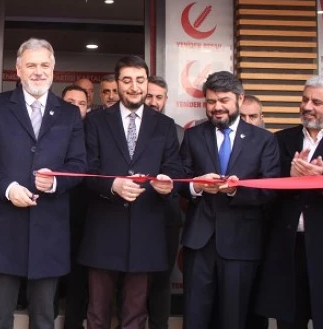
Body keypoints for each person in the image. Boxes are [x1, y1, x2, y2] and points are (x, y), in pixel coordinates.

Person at [0, 37, 86, 329]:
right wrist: (8, 188)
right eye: (31, 65)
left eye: (45, 65)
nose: (38, 71)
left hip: (49, 227)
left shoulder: (69, 113)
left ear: (53, 69)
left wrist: (56, 182)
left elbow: (79, 164)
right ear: (18, 69)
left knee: (44, 317)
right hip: (4, 225)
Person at [77, 56, 183, 329]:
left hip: (147, 228)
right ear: (117, 84)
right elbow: (87, 168)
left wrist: (168, 184)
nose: (134, 87)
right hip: (104, 226)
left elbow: (173, 168)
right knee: (98, 312)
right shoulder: (96, 121)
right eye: (127, 80)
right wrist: (112, 185)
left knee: (135, 314)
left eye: (140, 80)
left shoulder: (164, 124)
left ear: (147, 83)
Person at [178, 71, 279, 329]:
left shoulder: (264, 140)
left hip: (241, 242)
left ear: (240, 99)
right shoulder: (193, 136)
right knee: (195, 316)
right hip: (200, 241)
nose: (217, 107)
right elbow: (180, 180)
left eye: (224, 100)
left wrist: (235, 190)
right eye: (211, 101)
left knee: (233, 317)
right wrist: (196, 186)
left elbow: (269, 189)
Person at [256, 76, 323, 329]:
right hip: (287, 249)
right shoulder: (280, 139)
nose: (307, 107)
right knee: (288, 321)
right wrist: (289, 176)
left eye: (317, 102)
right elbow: (265, 188)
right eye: (304, 99)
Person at [142, 75, 184, 329]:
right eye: (149, 96)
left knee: (160, 279)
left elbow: (183, 176)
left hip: (166, 217)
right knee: (131, 280)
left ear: (166, 99)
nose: (154, 102)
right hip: (133, 214)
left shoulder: (178, 132)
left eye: (159, 97)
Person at [60, 84, 90, 329]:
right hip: (53, 207)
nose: (76, 108)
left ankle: (74, 320)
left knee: (79, 269)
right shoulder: (50, 127)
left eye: (81, 103)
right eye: (70, 102)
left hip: (84, 210)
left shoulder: (94, 130)